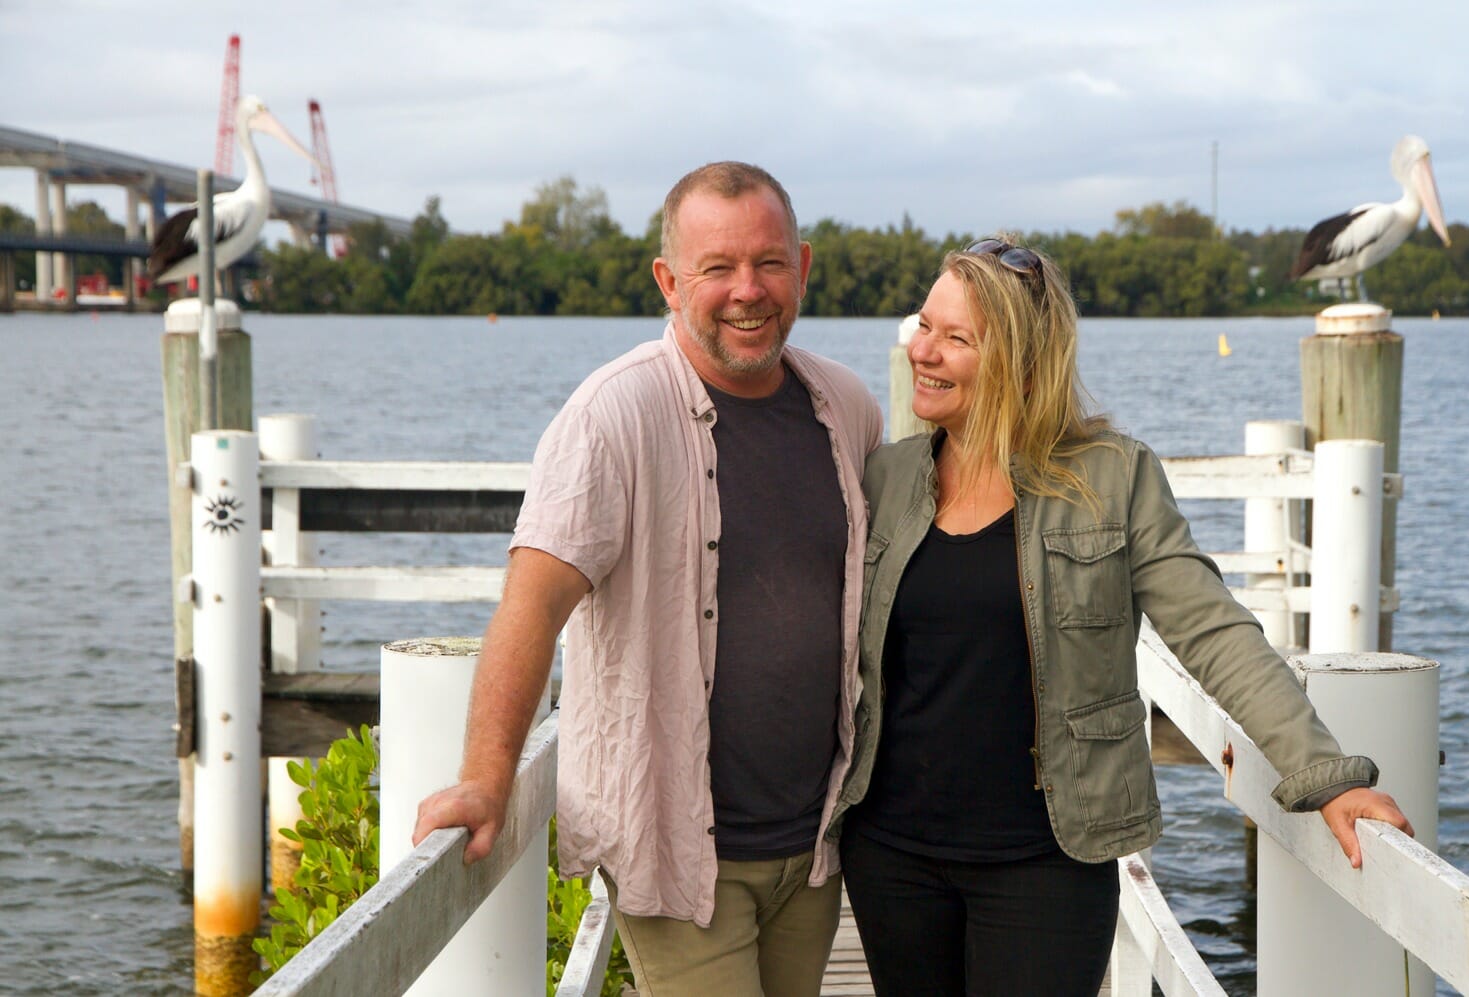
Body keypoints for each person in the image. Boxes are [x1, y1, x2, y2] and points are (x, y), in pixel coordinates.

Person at [826, 238, 1414, 996]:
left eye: (954, 337)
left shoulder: (1112, 476)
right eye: (924, 325)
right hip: (892, 855)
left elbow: (1212, 631)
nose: (921, 351)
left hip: (1046, 861)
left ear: (1022, 363)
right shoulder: (886, 475)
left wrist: (1326, 775)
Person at [412, 162, 882, 997]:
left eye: (769, 263)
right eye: (718, 268)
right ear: (670, 282)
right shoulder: (611, 416)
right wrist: (486, 779)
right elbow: (531, 607)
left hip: (814, 846)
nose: (748, 290)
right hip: (678, 852)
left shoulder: (846, 409)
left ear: (803, 267)